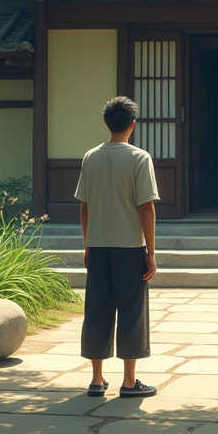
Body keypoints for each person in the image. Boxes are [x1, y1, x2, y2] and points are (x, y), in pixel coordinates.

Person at [75, 96, 159, 398]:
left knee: (97, 309)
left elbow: (84, 206)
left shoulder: (90, 157)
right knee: (132, 312)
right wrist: (150, 252)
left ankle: (97, 381)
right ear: (133, 124)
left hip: (98, 247)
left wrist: (87, 244)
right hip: (129, 247)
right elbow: (146, 207)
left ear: (106, 123)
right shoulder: (139, 158)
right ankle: (128, 382)